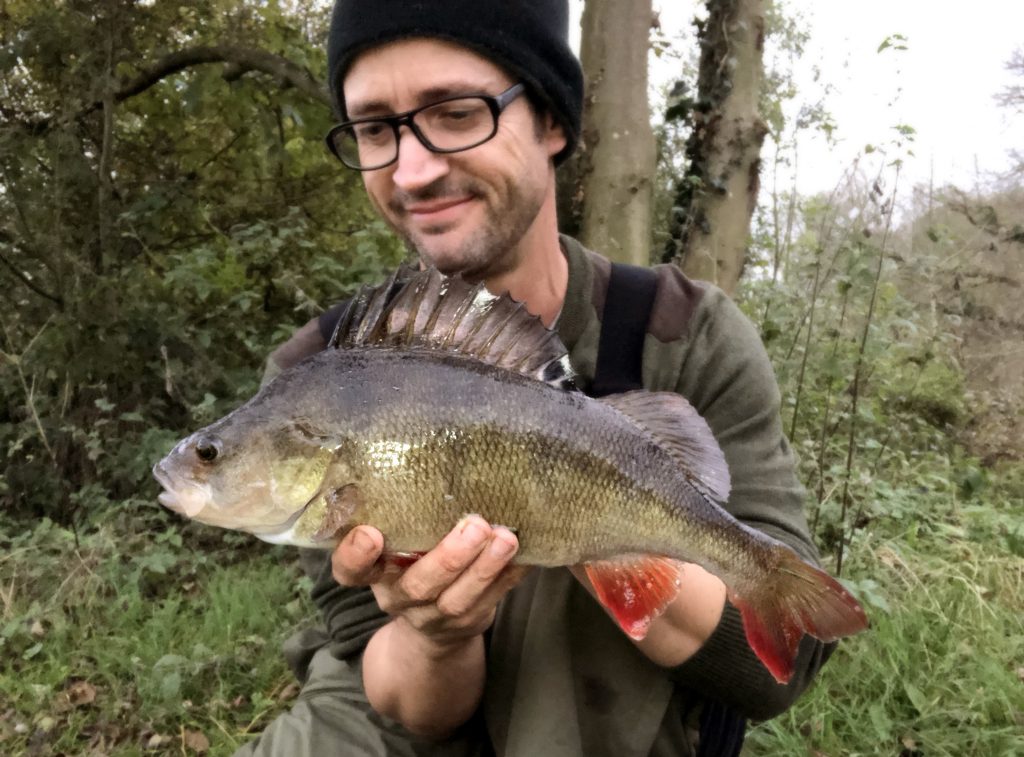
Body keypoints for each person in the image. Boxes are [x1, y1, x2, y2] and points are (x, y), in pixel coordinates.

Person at [237, 1, 834, 755]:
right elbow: (389, 693)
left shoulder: (687, 333)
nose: (413, 169)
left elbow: (779, 667)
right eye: (375, 129)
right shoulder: (315, 375)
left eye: (456, 113)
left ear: (552, 121)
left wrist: (587, 508)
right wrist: (437, 631)